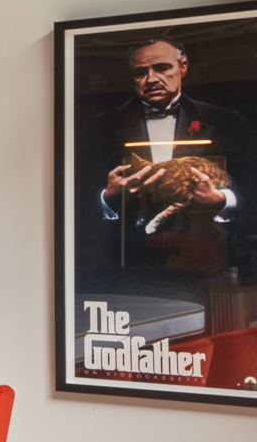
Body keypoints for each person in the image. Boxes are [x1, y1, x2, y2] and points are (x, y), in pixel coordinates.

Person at [84, 37, 253, 271]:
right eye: (140, 72)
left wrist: (221, 200)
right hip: (125, 264)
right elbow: (73, 199)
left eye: (163, 68)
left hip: (207, 258)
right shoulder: (99, 126)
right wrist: (108, 197)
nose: (151, 79)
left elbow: (251, 187)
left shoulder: (226, 121)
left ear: (183, 67)